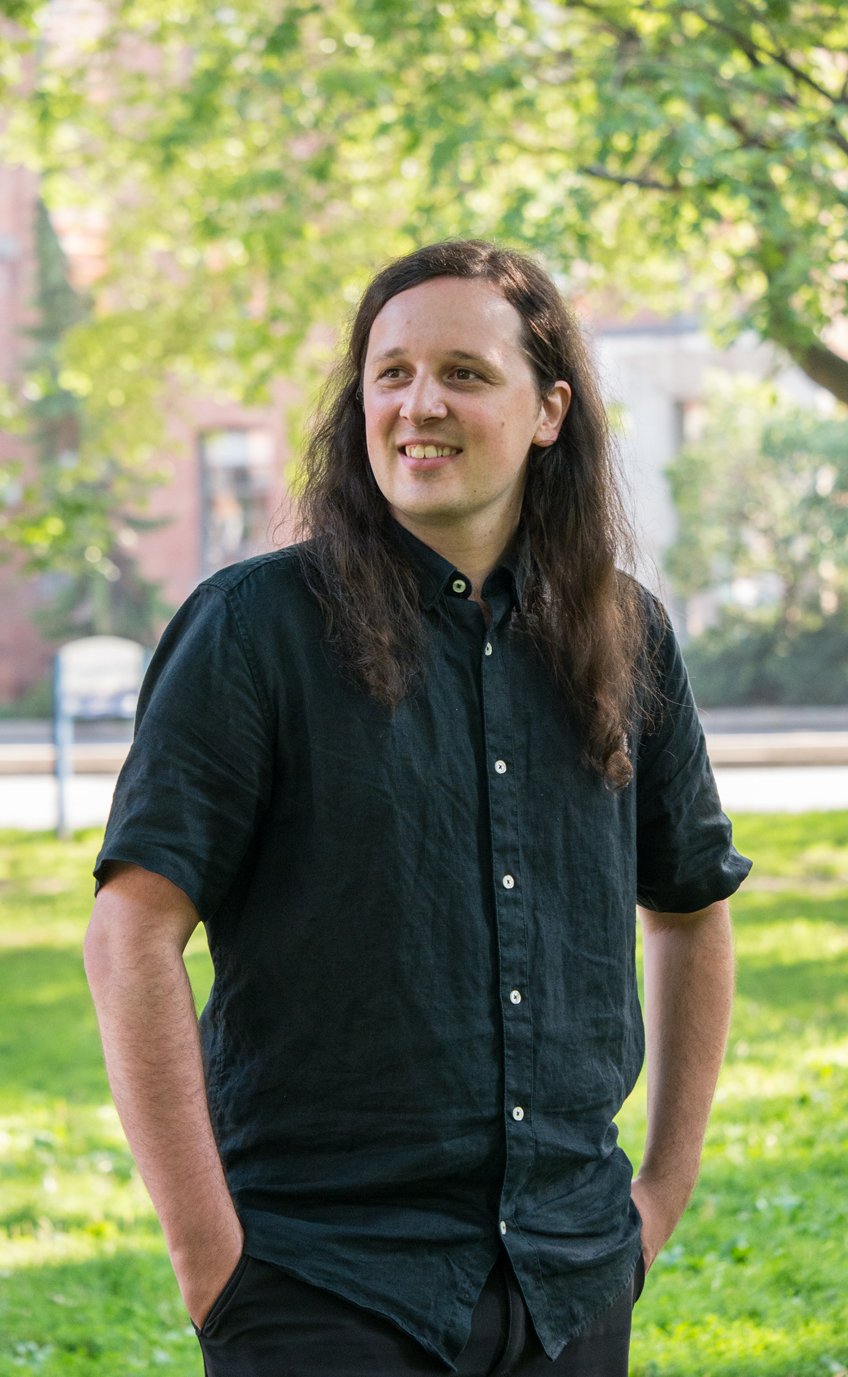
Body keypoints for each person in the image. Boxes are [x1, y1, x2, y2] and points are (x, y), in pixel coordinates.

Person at [84, 239, 750, 1377]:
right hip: (320, 1279)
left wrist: (658, 1194)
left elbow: (689, 909)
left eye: (462, 373)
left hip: (568, 1275)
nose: (416, 405)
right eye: (388, 374)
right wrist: (212, 1256)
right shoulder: (251, 629)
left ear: (547, 410)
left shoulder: (623, 634)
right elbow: (130, 935)